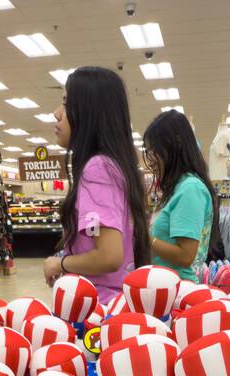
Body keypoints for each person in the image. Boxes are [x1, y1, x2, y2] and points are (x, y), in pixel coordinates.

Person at [43, 66, 150, 303]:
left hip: (96, 310)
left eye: (67, 104)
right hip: (113, 303)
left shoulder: (98, 169)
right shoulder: (115, 165)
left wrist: (59, 263)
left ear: (90, 112)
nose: (57, 113)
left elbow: (108, 256)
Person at [142, 110, 216, 282]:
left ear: (174, 146)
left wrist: (146, 238)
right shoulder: (176, 188)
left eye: (154, 151)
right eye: (148, 152)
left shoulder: (190, 188)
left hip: (179, 291)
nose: (151, 160)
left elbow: (185, 256)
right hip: (166, 288)